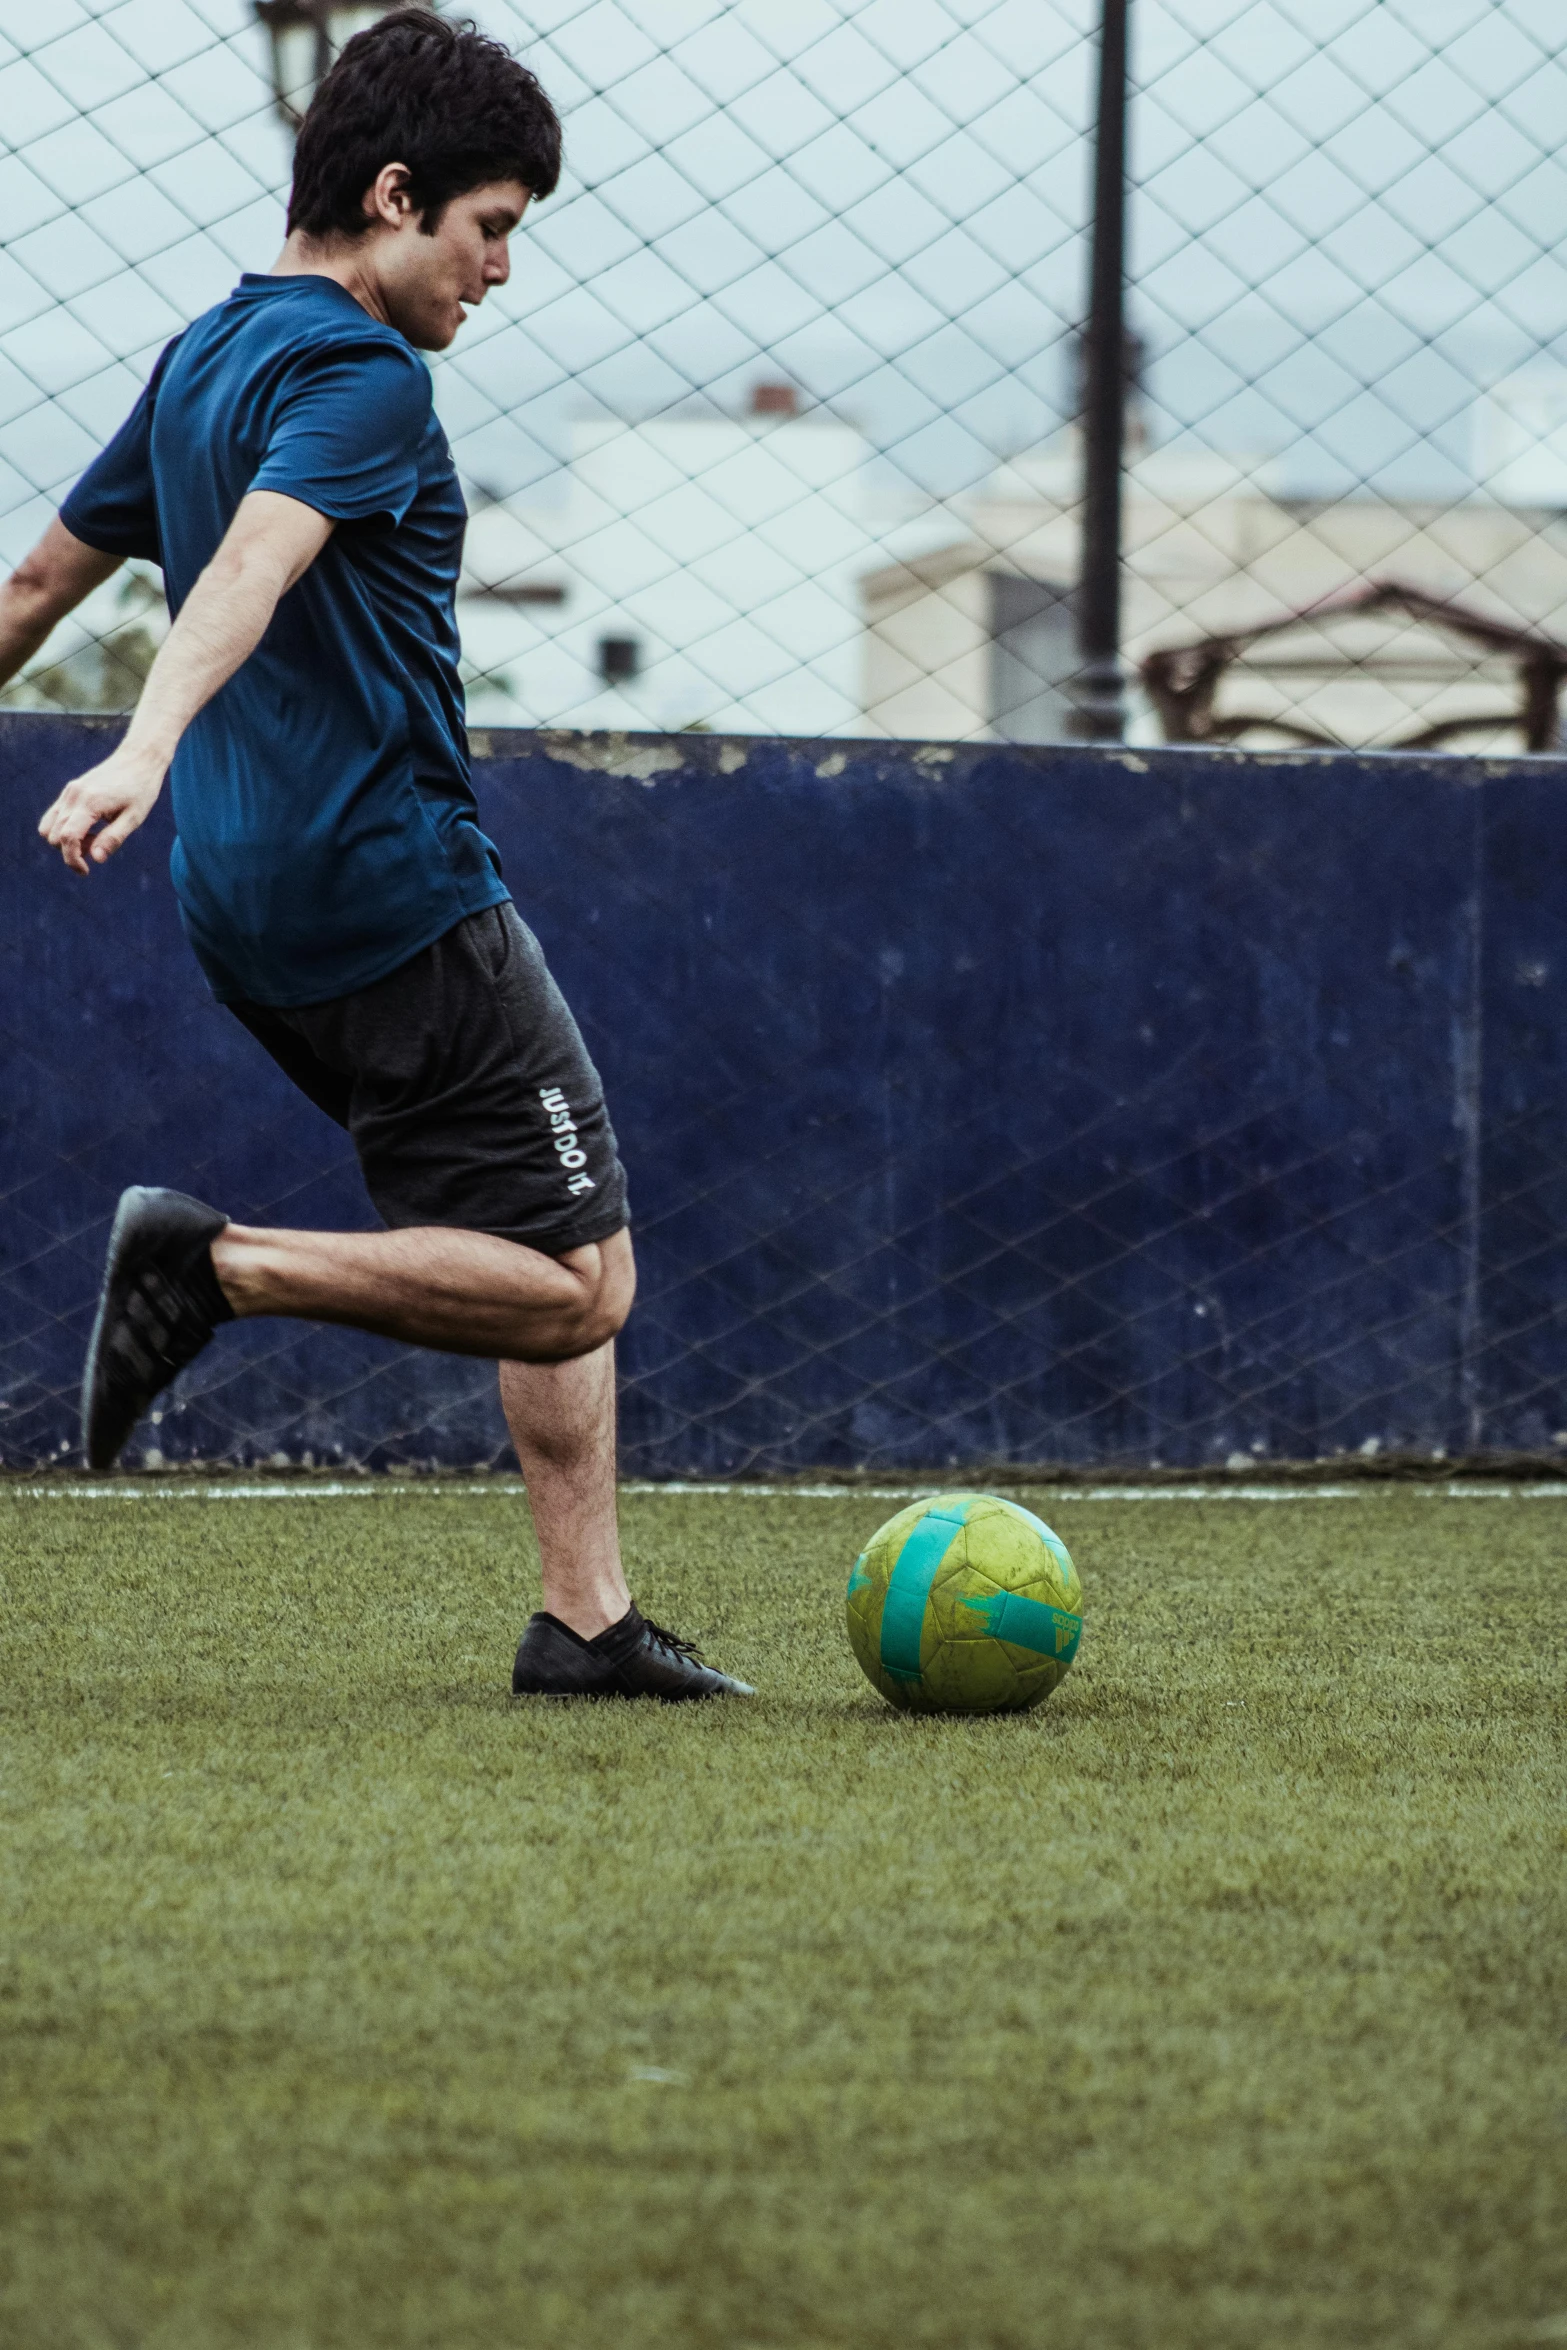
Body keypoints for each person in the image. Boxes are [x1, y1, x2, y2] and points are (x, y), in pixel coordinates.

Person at [0, 8, 750, 1705]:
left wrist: (151, 754)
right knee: (576, 1282)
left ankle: (583, 1619)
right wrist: (144, 740)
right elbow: (254, 564)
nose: (496, 274)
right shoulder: (363, 376)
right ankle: (219, 1266)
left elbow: (37, 588)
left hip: (243, 908)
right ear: (398, 196)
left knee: (507, 1229)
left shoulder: (201, 355)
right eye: (489, 231)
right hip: (395, 891)